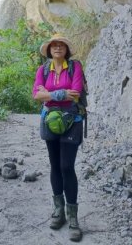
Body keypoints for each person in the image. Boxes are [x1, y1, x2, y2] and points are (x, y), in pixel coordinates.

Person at [32, 34, 84, 242]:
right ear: (49, 50)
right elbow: (36, 95)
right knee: (54, 165)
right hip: (49, 120)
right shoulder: (43, 70)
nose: (58, 47)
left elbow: (76, 93)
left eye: (61, 45)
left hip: (72, 120)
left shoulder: (75, 67)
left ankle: (73, 219)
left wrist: (50, 94)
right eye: (54, 45)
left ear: (66, 49)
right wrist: (61, 94)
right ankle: (58, 212)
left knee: (66, 166)